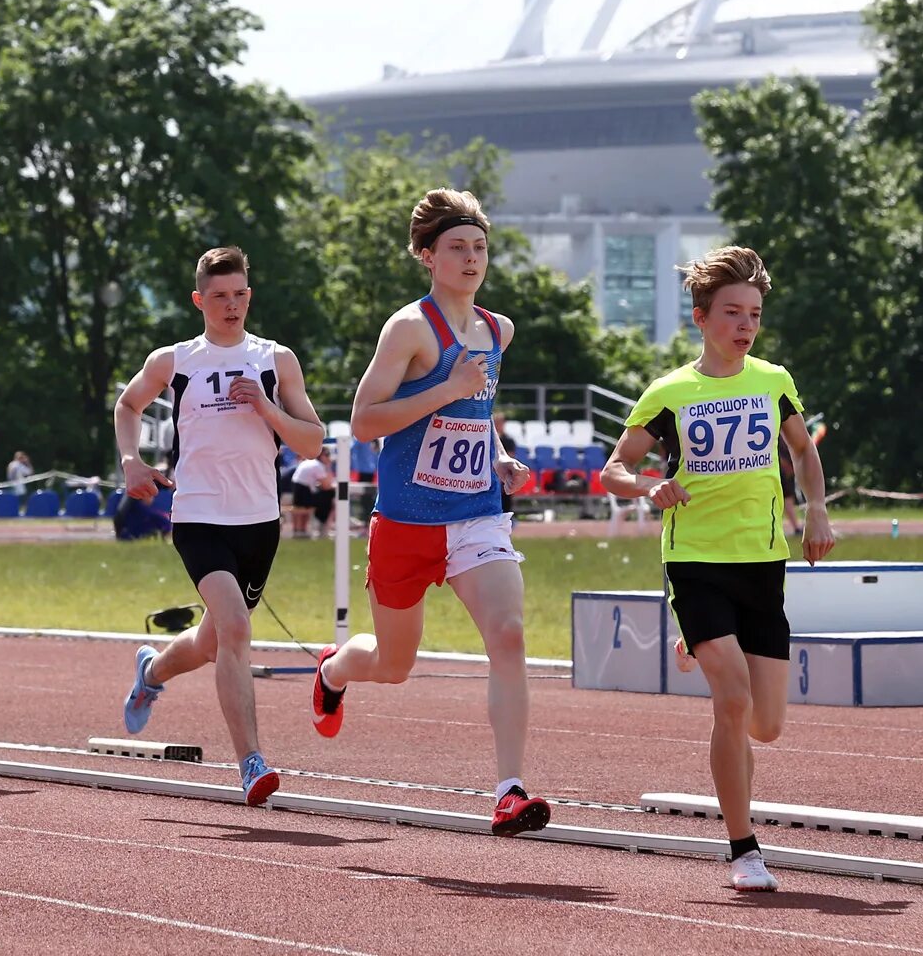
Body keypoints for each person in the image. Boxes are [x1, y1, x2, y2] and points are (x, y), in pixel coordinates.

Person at [310, 189, 548, 837]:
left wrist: (498, 455)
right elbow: (363, 421)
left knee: (509, 636)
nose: (472, 259)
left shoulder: (499, 330)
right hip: (408, 522)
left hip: (476, 515)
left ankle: (509, 790)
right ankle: (332, 670)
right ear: (427, 256)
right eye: (456, 248)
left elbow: (479, 411)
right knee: (393, 665)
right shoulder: (409, 329)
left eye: (479, 247)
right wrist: (444, 387)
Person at [601, 245, 834, 893]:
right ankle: (744, 850)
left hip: (762, 564)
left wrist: (817, 511)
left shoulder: (774, 380)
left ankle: (698, 641)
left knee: (769, 724)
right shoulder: (670, 392)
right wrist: (649, 486)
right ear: (702, 318)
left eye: (754, 314)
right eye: (732, 312)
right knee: (731, 703)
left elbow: (802, 454)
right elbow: (613, 469)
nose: (745, 324)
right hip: (696, 562)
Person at [115, 246, 325, 806]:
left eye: (239, 296)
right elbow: (128, 404)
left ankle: (152, 670)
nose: (230, 306)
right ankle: (251, 762)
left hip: (259, 521)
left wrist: (268, 408)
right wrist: (131, 460)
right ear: (199, 300)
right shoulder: (175, 360)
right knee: (234, 628)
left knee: (213, 640)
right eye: (219, 297)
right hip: (199, 514)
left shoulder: (276, 360)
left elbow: (311, 439)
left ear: (249, 297)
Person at [290, 447, 335, 537]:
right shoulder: (317, 465)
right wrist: (329, 467)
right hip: (302, 497)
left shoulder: (308, 462)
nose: (328, 458)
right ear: (321, 456)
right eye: (327, 455)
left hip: (298, 495)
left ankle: (320, 523)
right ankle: (322, 525)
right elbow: (327, 485)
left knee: (327, 495)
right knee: (330, 494)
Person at [776, 437, 801, 536]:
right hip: (782, 472)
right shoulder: (779, 436)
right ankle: (796, 527)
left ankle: (796, 526)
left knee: (788, 499)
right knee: (787, 499)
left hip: (786, 472)